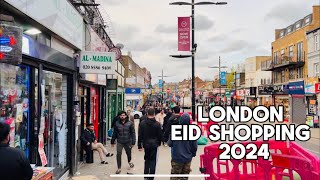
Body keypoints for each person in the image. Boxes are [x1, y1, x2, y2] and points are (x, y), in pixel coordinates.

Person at [167, 113, 198, 180]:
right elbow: (195, 146)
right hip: (187, 159)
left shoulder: (175, 130)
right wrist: (193, 154)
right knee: (184, 177)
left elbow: (169, 144)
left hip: (177, 158)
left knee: (175, 177)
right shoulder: (192, 132)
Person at [138, 108, 163, 180]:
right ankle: (151, 177)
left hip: (146, 144)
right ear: (154, 114)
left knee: (147, 160)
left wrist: (139, 145)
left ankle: (145, 175)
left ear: (147, 114)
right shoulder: (157, 124)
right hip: (154, 144)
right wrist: (159, 143)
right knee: (153, 160)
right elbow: (160, 135)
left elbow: (140, 135)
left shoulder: (142, 123)